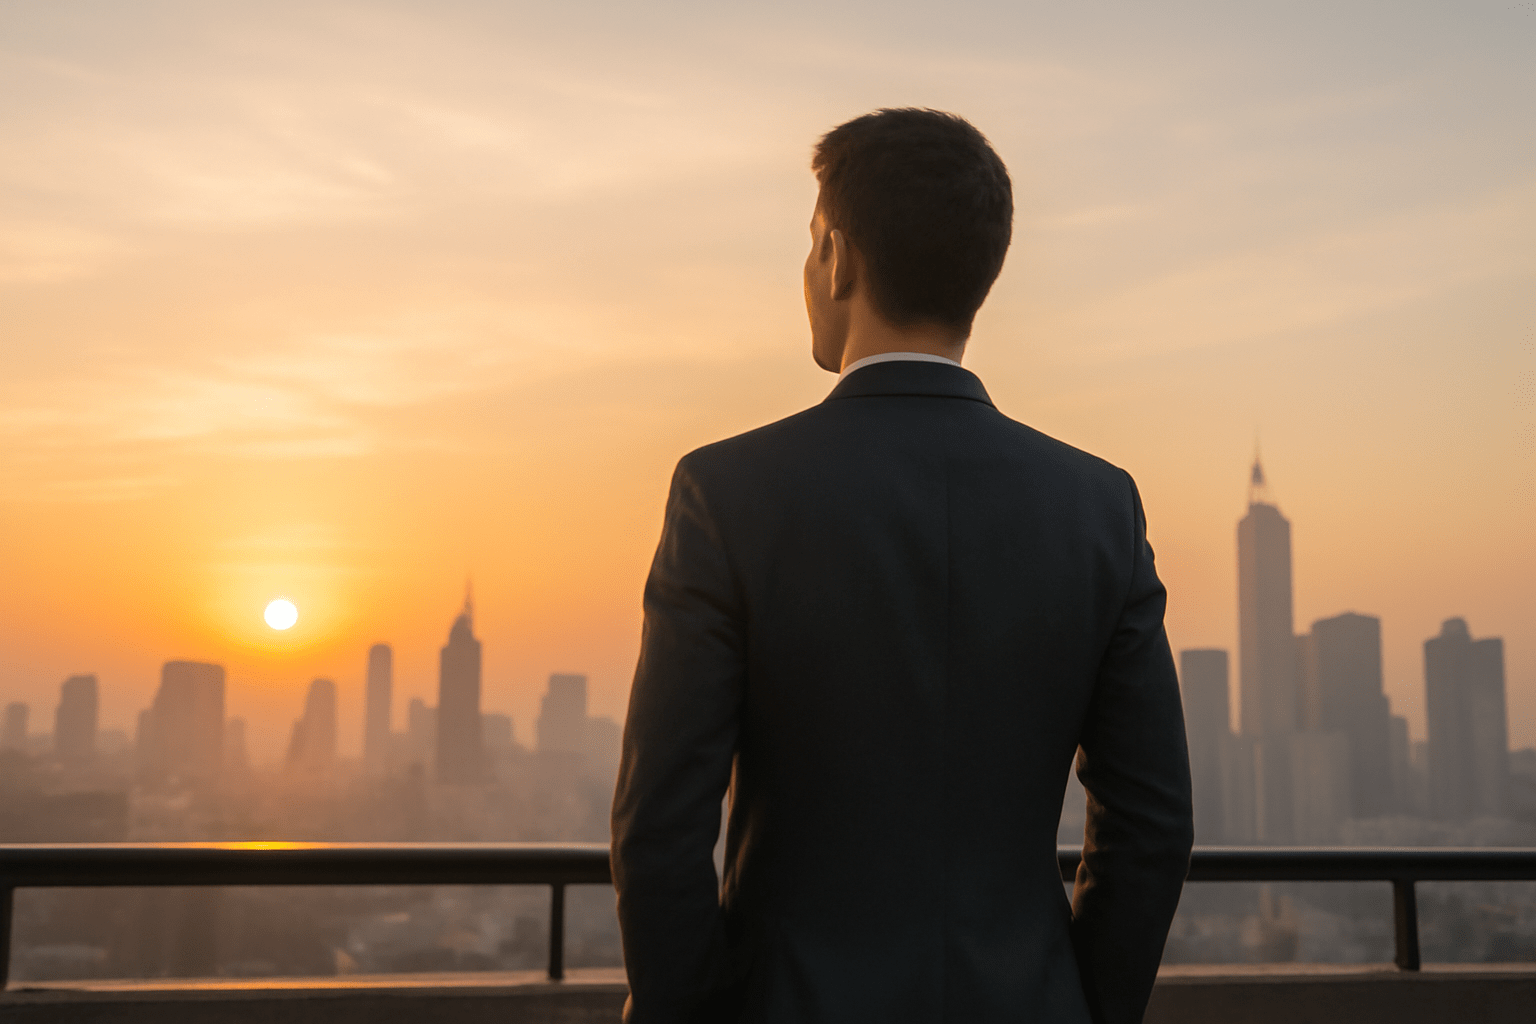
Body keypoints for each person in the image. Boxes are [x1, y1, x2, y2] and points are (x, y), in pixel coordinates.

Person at [611, 108, 1193, 1024]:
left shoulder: (727, 493)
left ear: (836, 258)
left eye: (810, 246)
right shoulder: (1098, 507)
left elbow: (660, 830)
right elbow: (1152, 825)